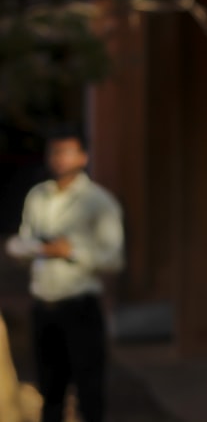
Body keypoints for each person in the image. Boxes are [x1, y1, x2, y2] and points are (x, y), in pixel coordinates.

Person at [5, 126, 124, 422]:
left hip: (80, 306)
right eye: (55, 152)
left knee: (89, 393)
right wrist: (38, 249)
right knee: (50, 393)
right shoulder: (38, 196)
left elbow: (114, 259)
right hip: (45, 305)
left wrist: (70, 251)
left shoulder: (99, 201)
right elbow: (23, 242)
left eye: (67, 152)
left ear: (83, 156)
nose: (59, 159)